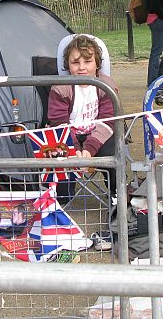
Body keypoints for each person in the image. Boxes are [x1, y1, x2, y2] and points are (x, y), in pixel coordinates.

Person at [47, 34, 119, 204]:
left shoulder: (107, 86)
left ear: (97, 64)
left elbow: (107, 121)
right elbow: (58, 122)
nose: (81, 68)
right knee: (59, 157)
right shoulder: (60, 89)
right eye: (75, 62)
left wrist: (89, 149)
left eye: (87, 62)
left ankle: (117, 194)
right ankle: (62, 198)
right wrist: (75, 150)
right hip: (68, 136)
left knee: (114, 151)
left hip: (98, 134)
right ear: (67, 65)